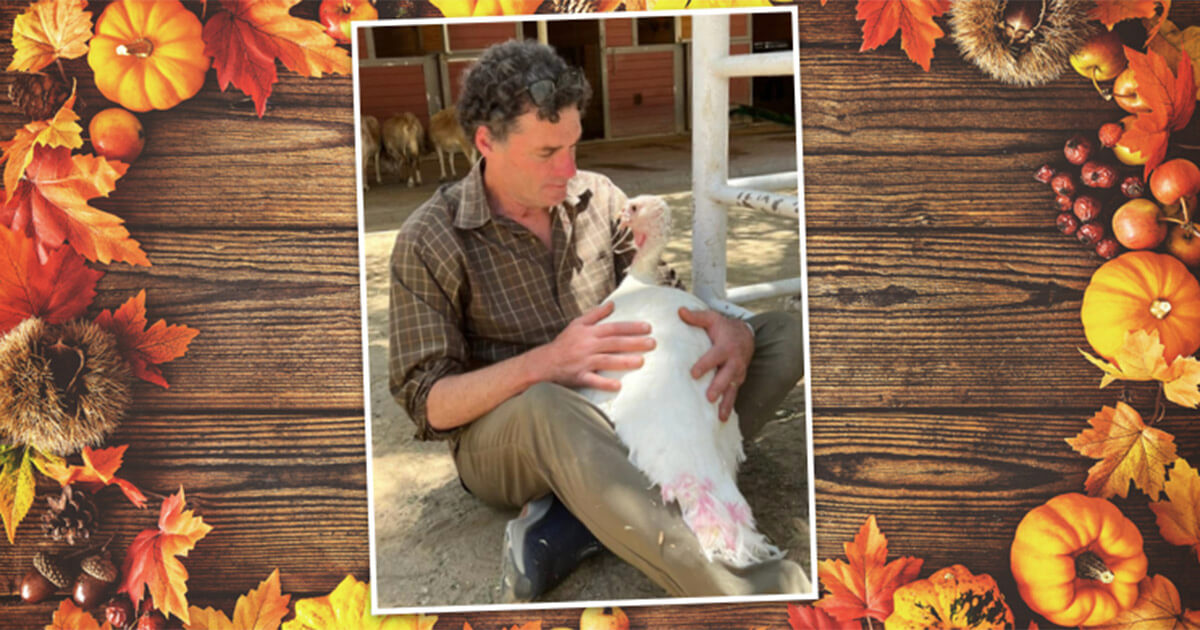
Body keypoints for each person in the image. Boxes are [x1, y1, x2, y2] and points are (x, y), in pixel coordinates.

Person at [388, 39, 809, 601]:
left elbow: (664, 300)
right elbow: (431, 404)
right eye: (545, 153)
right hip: (513, 433)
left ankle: (573, 521)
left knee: (779, 335)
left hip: (626, 408)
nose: (569, 169)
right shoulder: (429, 237)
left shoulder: (599, 197)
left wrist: (722, 327)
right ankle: (752, 588)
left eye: (573, 146)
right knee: (548, 406)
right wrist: (550, 363)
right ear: (485, 142)